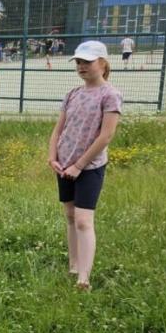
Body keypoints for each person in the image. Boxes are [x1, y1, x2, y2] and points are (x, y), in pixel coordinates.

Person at [47, 41, 122, 291]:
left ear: (103, 63)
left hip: (88, 167)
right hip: (64, 165)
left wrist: (79, 165)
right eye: (79, 62)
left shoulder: (110, 95)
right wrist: (52, 156)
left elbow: (106, 136)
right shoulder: (72, 94)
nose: (81, 66)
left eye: (87, 62)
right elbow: (58, 129)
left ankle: (84, 278)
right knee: (70, 216)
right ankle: (73, 265)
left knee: (82, 220)